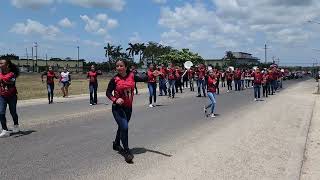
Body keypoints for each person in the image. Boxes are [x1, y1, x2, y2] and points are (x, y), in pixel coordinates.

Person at [106, 59, 147, 163]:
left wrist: (154, 75)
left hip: (128, 108)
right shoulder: (115, 79)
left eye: (121, 66)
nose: (119, 68)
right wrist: (115, 99)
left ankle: (116, 143)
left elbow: (144, 77)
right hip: (117, 108)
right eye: (117, 66)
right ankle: (127, 151)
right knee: (124, 127)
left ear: (126, 67)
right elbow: (108, 93)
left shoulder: (132, 76)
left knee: (122, 127)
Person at [0, 57, 20, 138]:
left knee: (13, 112)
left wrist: (1, 79)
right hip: (2, 96)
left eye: (1, 63)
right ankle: (5, 130)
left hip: (12, 96)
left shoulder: (12, 74)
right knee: (1, 112)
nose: (0, 65)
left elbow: (10, 82)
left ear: (7, 65)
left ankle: (16, 125)